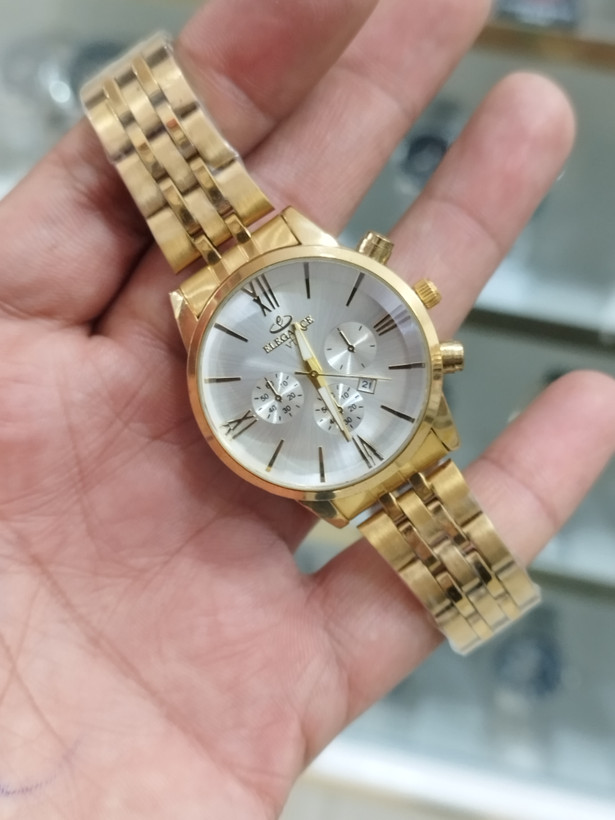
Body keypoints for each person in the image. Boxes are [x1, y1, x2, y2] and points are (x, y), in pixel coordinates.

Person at [0, 0, 613, 816]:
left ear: (430, 344)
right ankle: (480, 595)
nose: (317, 375)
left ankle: (482, 593)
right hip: (310, 413)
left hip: (340, 428)